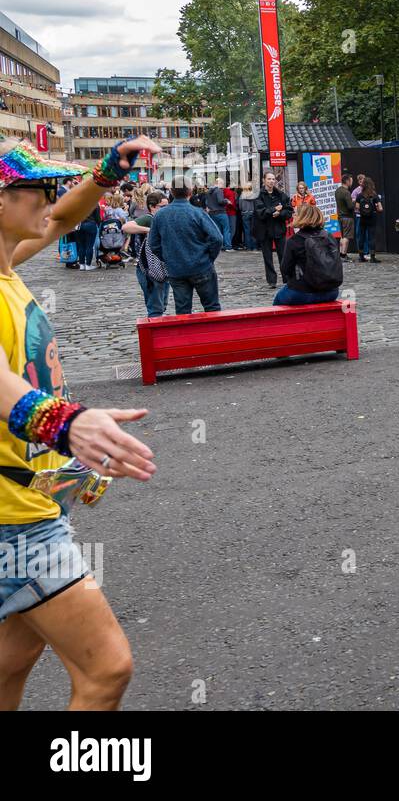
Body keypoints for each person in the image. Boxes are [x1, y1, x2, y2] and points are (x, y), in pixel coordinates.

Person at [0, 135, 159, 711]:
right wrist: (64, 422)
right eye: (39, 188)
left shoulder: (6, 262)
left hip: (24, 500)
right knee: (107, 670)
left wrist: (109, 172)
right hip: (16, 525)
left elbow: (64, 218)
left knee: (10, 663)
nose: (52, 198)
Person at [149, 177, 223, 315]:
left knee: (183, 312)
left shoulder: (160, 215)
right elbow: (217, 238)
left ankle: (186, 337)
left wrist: (168, 258)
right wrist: (208, 257)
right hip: (201, 266)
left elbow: (153, 244)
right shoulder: (198, 213)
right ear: (190, 191)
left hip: (177, 269)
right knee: (212, 307)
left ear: (171, 191)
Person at [275, 204, 343, 306]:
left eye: (296, 214)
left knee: (278, 300)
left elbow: (285, 269)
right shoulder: (329, 236)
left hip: (303, 291)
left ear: (301, 217)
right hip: (331, 291)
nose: (293, 216)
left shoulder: (294, 241)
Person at [122, 191, 170, 318]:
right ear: (153, 206)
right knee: (156, 306)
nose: (167, 209)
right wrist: (149, 230)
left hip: (163, 267)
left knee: (162, 304)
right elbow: (126, 227)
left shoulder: (164, 218)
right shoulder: (149, 218)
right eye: (163, 206)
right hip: (148, 268)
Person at [254, 173, 292, 285]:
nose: (271, 181)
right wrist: (274, 209)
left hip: (279, 229)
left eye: (273, 179)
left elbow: (289, 211)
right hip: (264, 230)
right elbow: (260, 212)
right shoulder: (258, 195)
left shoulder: (281, 195)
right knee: (267, 257)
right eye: (269, 179)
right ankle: (271, 281)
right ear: (264, 180)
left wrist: (279, 214)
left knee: (283, 255)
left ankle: (286, 279)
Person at [356, 177, 383, 263]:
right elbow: (380, 208)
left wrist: (363, 210)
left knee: (362, 237)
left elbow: (356, 207)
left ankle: (361, 256)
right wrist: (374, 209)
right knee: (371, 238)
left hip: (363, 218)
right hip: (372, 218)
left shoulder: (360, 195)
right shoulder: (374, 195)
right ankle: (372, 257)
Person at [202, 178, 232, 251]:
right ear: (218, 183)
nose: (223, 185)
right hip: (221, 212)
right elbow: (220, 201)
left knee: (217, 230)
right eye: (222, 183)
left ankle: (219, 246)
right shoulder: (219, 190)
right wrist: (227, 201)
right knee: (226, 229)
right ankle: (227, 246)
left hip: (212, 213)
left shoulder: (209, 191)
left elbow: (207, 203)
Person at [335, 174, 355, 260]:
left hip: (340, 216)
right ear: (347, 181)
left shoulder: (337, 190)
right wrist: (354, 201)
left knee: (342, 236)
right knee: (346, 237)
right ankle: (343, 255)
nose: (351, 183)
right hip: (347, 217)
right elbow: (350, 206)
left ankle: (341, 254)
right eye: (351, 181)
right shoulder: (346, 192)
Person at [74, 203, 99, 271]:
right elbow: (97, 218)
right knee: (89, 246)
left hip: (79, 225)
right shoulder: (94, 203)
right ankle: (88, 265)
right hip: (90, 225)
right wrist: (99, 225)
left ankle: (82, 265)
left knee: (81, 246)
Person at [238, 183, 258, 251]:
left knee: (247, 231)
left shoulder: (241, 196)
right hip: (252, 213)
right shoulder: (254, 195)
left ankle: (248, 247)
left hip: (244, 214)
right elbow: (256, 205)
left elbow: (240, 206)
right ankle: (255, 247)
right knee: (253, 230)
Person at [223, 180, 238, 252]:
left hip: (224, 212)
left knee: (226, 229)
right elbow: (231, 203)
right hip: (232, 213)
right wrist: (236, 209)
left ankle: (224, 244)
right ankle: (228, 244)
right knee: (232, 230)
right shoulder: (231, 193)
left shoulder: (222, 192)